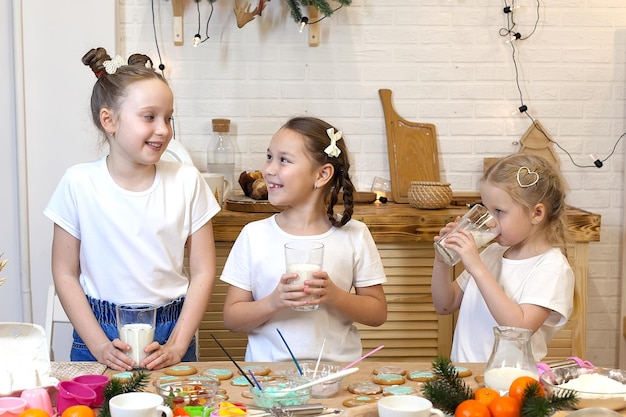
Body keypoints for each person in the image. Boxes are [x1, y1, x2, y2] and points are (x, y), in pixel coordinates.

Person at [44, 47, 220, 370]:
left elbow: (204, 271)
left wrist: (179, 345)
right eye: (149, 117)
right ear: (109, 120)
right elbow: (65, 273)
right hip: (99, 336)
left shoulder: (187, 181)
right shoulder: (79, 184)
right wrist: (98, 345)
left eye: (168, 118)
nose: (164, 129)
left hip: (170, 336)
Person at [221, 116, 388, 362]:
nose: (268, 169)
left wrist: (335, 296)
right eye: (269, 157)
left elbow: (377, 313)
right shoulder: (254, 235)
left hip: (335, 377)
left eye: (284, 160)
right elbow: (232, 319)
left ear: (322, 175)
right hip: (268, 379)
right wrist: (274, 302)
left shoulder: (354, 235)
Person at [431, 153, 574, 362]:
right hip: (464, 376)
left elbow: (518, 330)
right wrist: (442, 261)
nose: (489, 222)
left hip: (510, 383)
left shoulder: (552, 267)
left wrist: (477, 268)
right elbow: (445, 304)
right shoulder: (491, 253)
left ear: (536, 213)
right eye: (485, 210)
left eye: (499, 211)